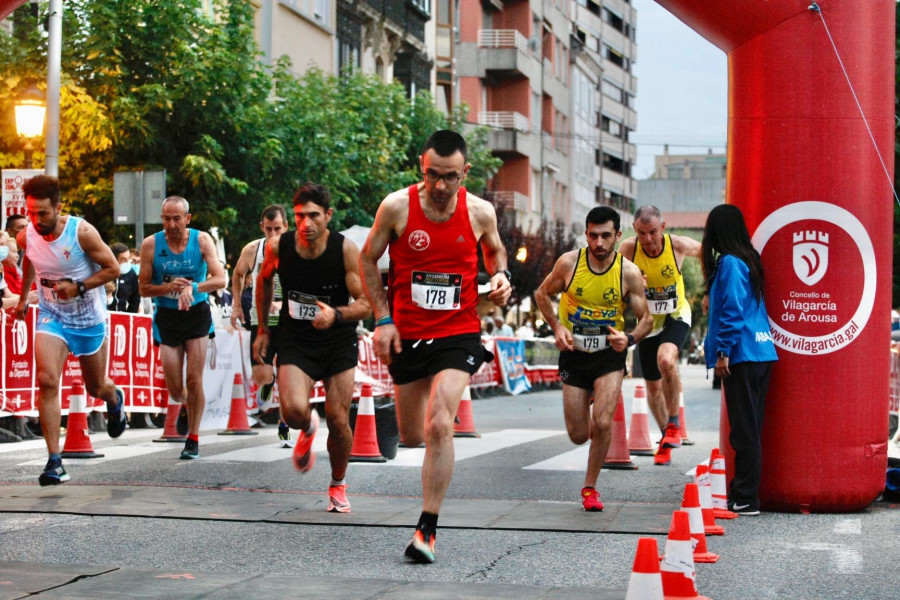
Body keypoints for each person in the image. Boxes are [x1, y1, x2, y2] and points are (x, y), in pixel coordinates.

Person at [359, 130, 512, 563]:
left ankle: (427, 529)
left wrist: (500, 278)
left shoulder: (480, 212)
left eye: (450, 177)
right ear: (420, 168)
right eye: (432, 176)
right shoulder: (397, 207)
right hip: (407, 332)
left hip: (458, 330)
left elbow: (496, 256)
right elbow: (367, 259)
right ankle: (423, 493)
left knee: (440, 423)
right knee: (412, 436)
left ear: (465, 172)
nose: (441, 187)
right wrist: (383, 318)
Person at [254, 183, 371, 512]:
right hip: (296, 339)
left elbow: (368, 304)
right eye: (300, 216)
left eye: (314, 216)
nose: (306, 223)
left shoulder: (345, 250)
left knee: (338, 418)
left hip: (337, 340)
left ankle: (337, 483)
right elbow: (262, 280)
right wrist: (263, 328)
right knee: (291, 414)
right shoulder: (279, 247)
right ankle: (307, 426)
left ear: (328, 216)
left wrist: (336, 315)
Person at [535, 206, 652, 512]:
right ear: (586, 234)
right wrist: (557, 327)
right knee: (577, 435)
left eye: (605, 236)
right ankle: (586, 399)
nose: (599, 243)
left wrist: (628, 339)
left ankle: (590, 488)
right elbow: (541, 294)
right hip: (574, 354)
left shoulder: (627, 273)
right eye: (593, 235)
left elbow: (647, 320)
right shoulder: (569, 264)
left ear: (617, 236)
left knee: (602, 422)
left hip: (609, 356)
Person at [13, 175, 127, 485]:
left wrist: (78, 287)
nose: (36, 220)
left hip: (88, 319)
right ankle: (55, 461)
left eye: (43, 214)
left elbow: (113, 269)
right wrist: (24, 297)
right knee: (47, 380)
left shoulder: (82, 233)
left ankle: (114, 399)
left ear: (59, 208)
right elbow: (30, 262)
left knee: (95, 387)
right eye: (32, 213)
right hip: (52, 315)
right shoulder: (27, 236)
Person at [701, 204, 778, 516]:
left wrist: (722, 351)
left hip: (741, 355)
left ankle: (746, 497)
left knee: (743, 431)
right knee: (750, 428)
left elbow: (732, 310)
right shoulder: (749, 259)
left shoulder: (731, 263)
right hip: (761, 352)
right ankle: (742, 493)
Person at [138, 196, 226, 460]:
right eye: (166, 218)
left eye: (177, 218)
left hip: (196, 313)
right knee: (175, 388)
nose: (172, 224)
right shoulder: (151, 245)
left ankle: (193, 438)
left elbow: (221, 278)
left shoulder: (201, 241)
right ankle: (185, 404)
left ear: (187, 219)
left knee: (194, 379)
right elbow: (143, 287)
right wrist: (168, 288)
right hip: (167, 314)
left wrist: (193, 287)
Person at [618, 205, 701, 466]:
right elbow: (614, 283)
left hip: (676, 314)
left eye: (653, 232)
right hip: (648, 322)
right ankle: (666, 435)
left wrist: (711, 287)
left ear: (663, 228)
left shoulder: (677, 245)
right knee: (652, 384)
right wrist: (630, 284)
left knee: (666, 360)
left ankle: (674, 424)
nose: (648, 240)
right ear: (635, 231)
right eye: (642, 233)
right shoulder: (628, 250)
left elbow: (711, 254)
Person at [231, 205, 289, 441]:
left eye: (278, 229)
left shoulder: (297, 249)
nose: (273, 235)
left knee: (287, 375)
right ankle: (269, 380)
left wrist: (285, 304)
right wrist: (236, 305)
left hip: (288, 321)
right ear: (261, 228)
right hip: (261, 320)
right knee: (261, 375)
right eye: (268, 229)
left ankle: (283, 425)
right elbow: (237, 274)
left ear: (287, 227)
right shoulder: (253, 249)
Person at [108, 242, 141, 313]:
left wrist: (130, 315)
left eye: (128, 259)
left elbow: (135, 300)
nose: (127, 262)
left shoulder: (131, 274)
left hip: (122, 318)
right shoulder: (104, 272)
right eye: (123, 259)